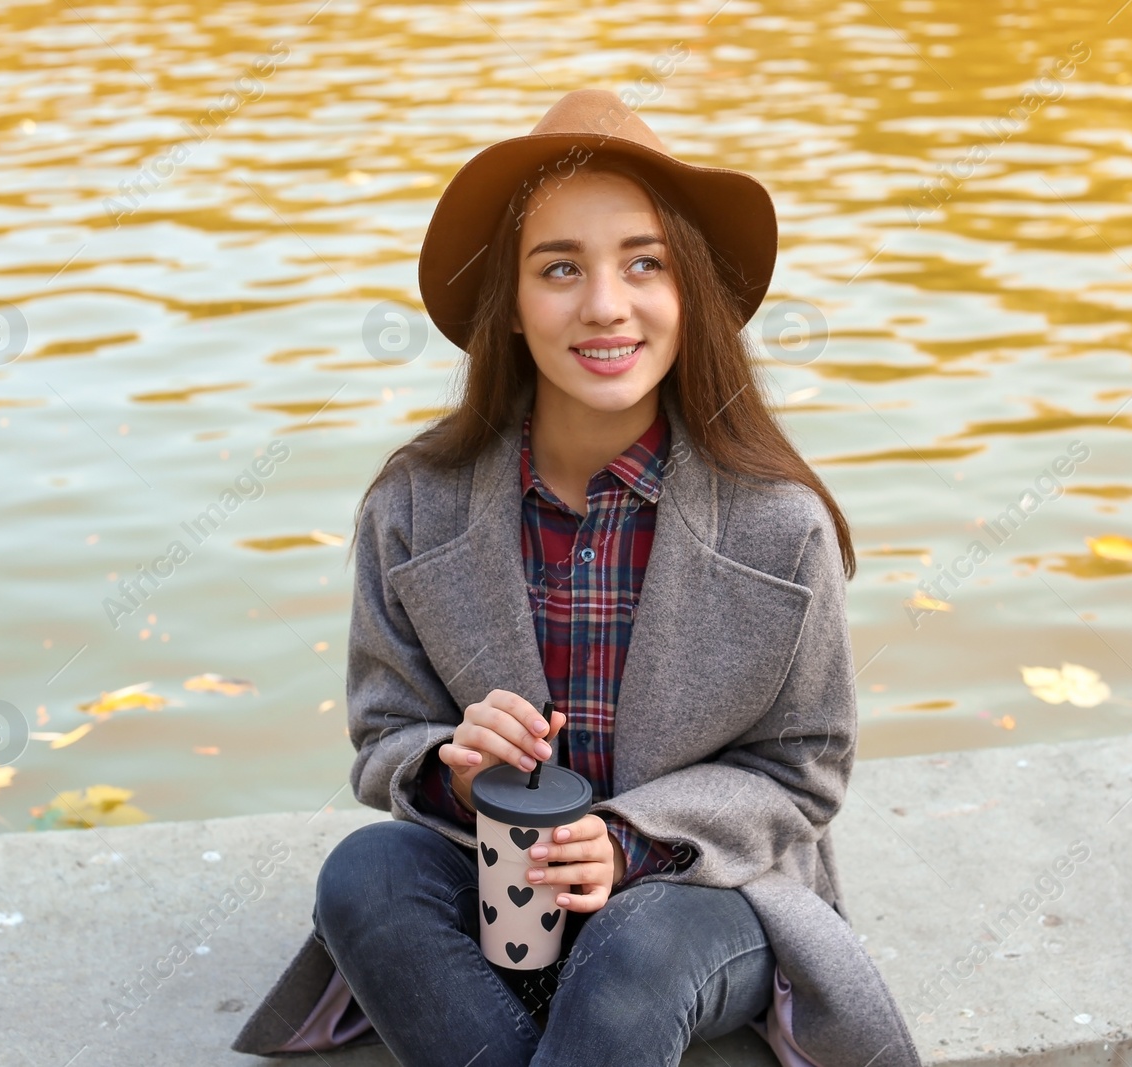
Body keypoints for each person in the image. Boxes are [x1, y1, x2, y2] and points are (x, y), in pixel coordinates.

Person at [232, 89, 921, 1067]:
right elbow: (384, 733)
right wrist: (454, 770)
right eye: (560, 267)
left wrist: (629, 841)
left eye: (645, 262)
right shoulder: (413, 504)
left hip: (696, 898)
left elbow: (802, 775)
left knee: (630, 956)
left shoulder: (778, 525)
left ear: (689, 292)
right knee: (365, 872)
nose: (605, 303)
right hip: (494, 884)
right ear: (509, 304)